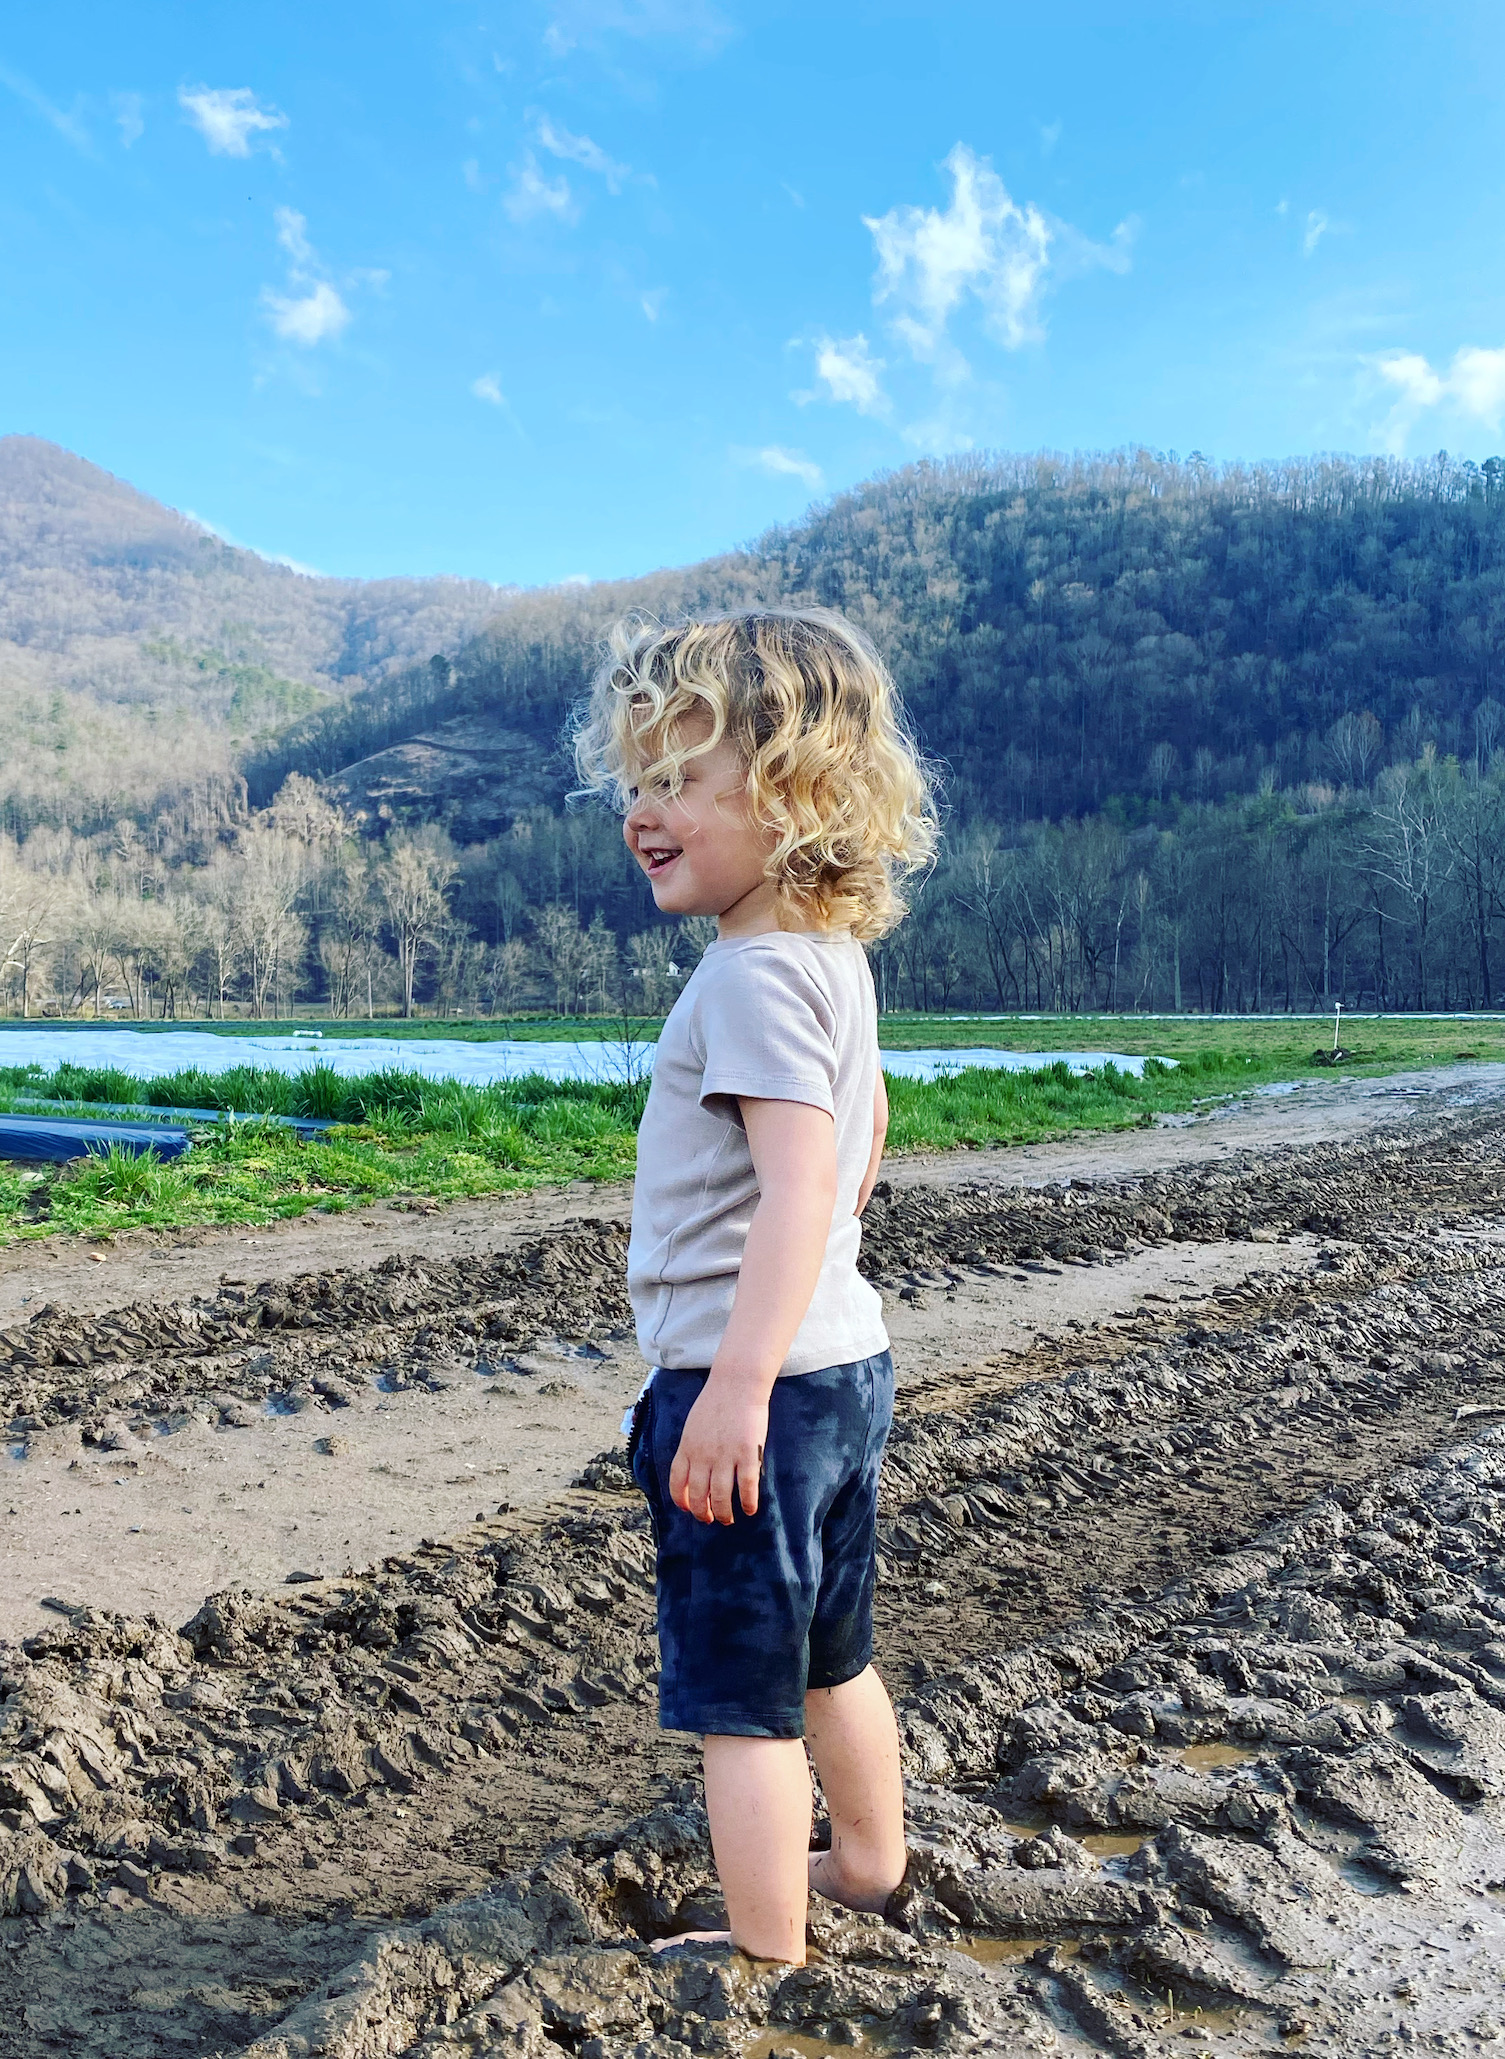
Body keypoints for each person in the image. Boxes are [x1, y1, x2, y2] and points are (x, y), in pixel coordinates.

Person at [574, 607, 937, 1964]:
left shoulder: (745, 978)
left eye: (679, 780)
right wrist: (815, 1279)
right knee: (833, 1653)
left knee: (742, 1699)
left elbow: (797, 1185)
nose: (642, 811)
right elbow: (863, 1137)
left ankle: (765, 1951)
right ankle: (870, 1864)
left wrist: (731, 1387)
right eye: (638, 781)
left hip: (759, 1389)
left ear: (789, 798)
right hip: (842, 1370)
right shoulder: (830, 964)